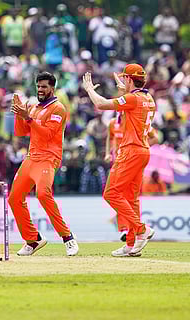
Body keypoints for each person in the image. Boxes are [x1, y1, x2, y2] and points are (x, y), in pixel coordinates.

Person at [82, 65, 156, 257]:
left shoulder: (132, 99)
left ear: (130, 80)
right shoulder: (148, 98)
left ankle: (141, 230)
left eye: (125, 79)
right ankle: (131, 244)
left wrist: (89, 90)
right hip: (143, 151)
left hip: (130, 151)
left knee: (111, 193)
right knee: (131, 199)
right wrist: (124, 90)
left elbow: (101, 104)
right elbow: (130, 110)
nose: (123, 82)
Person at [9, 72, 79, 257]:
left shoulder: (58, 109)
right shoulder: (34, 107)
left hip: (49, 158)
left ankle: (67, 237)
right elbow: (20, 132)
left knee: (43, 194)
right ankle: (33, 240)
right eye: (38, 86)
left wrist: (29, 118)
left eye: (44, 87)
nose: (40, 89)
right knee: (14, 198)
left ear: (52, 88)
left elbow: (47, 134)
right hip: (31, 158)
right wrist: (19, 113)